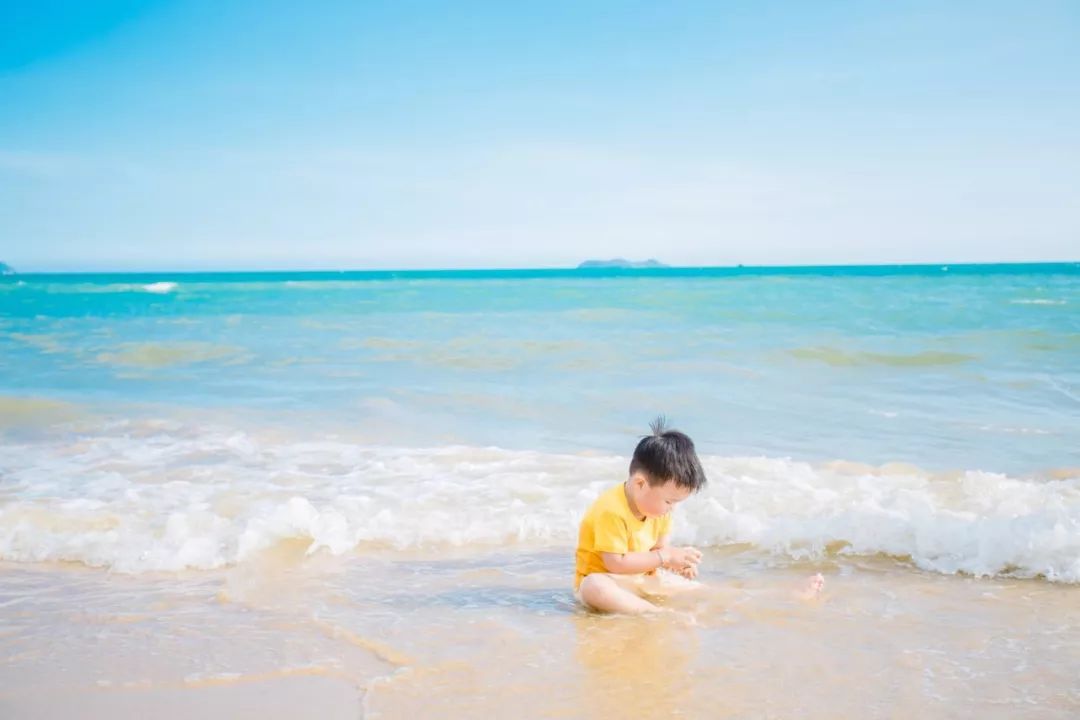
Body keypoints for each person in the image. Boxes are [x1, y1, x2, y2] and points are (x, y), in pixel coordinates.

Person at [574, 417, 708, 614]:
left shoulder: (659, 508)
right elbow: (616, 564)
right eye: (669, 501)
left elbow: (658, 551)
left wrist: (676, 563)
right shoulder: (610, 510)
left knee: (701, 591)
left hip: (641, 581)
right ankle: (653, 613)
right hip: (610, 580)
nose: (672, 508)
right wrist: (665, 556)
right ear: (640, 484)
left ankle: (646, 606)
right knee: (593, 586)